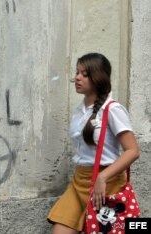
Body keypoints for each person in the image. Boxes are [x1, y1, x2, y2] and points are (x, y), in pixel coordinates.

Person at [47, 52, 140, 234]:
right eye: (77, 72)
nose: (77, 78)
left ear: (98, 77)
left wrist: (102, 177)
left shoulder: (112, 110)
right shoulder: (80, 110)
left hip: (107, 183)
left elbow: (132, 150)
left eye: (85, 74)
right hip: (79, 181)